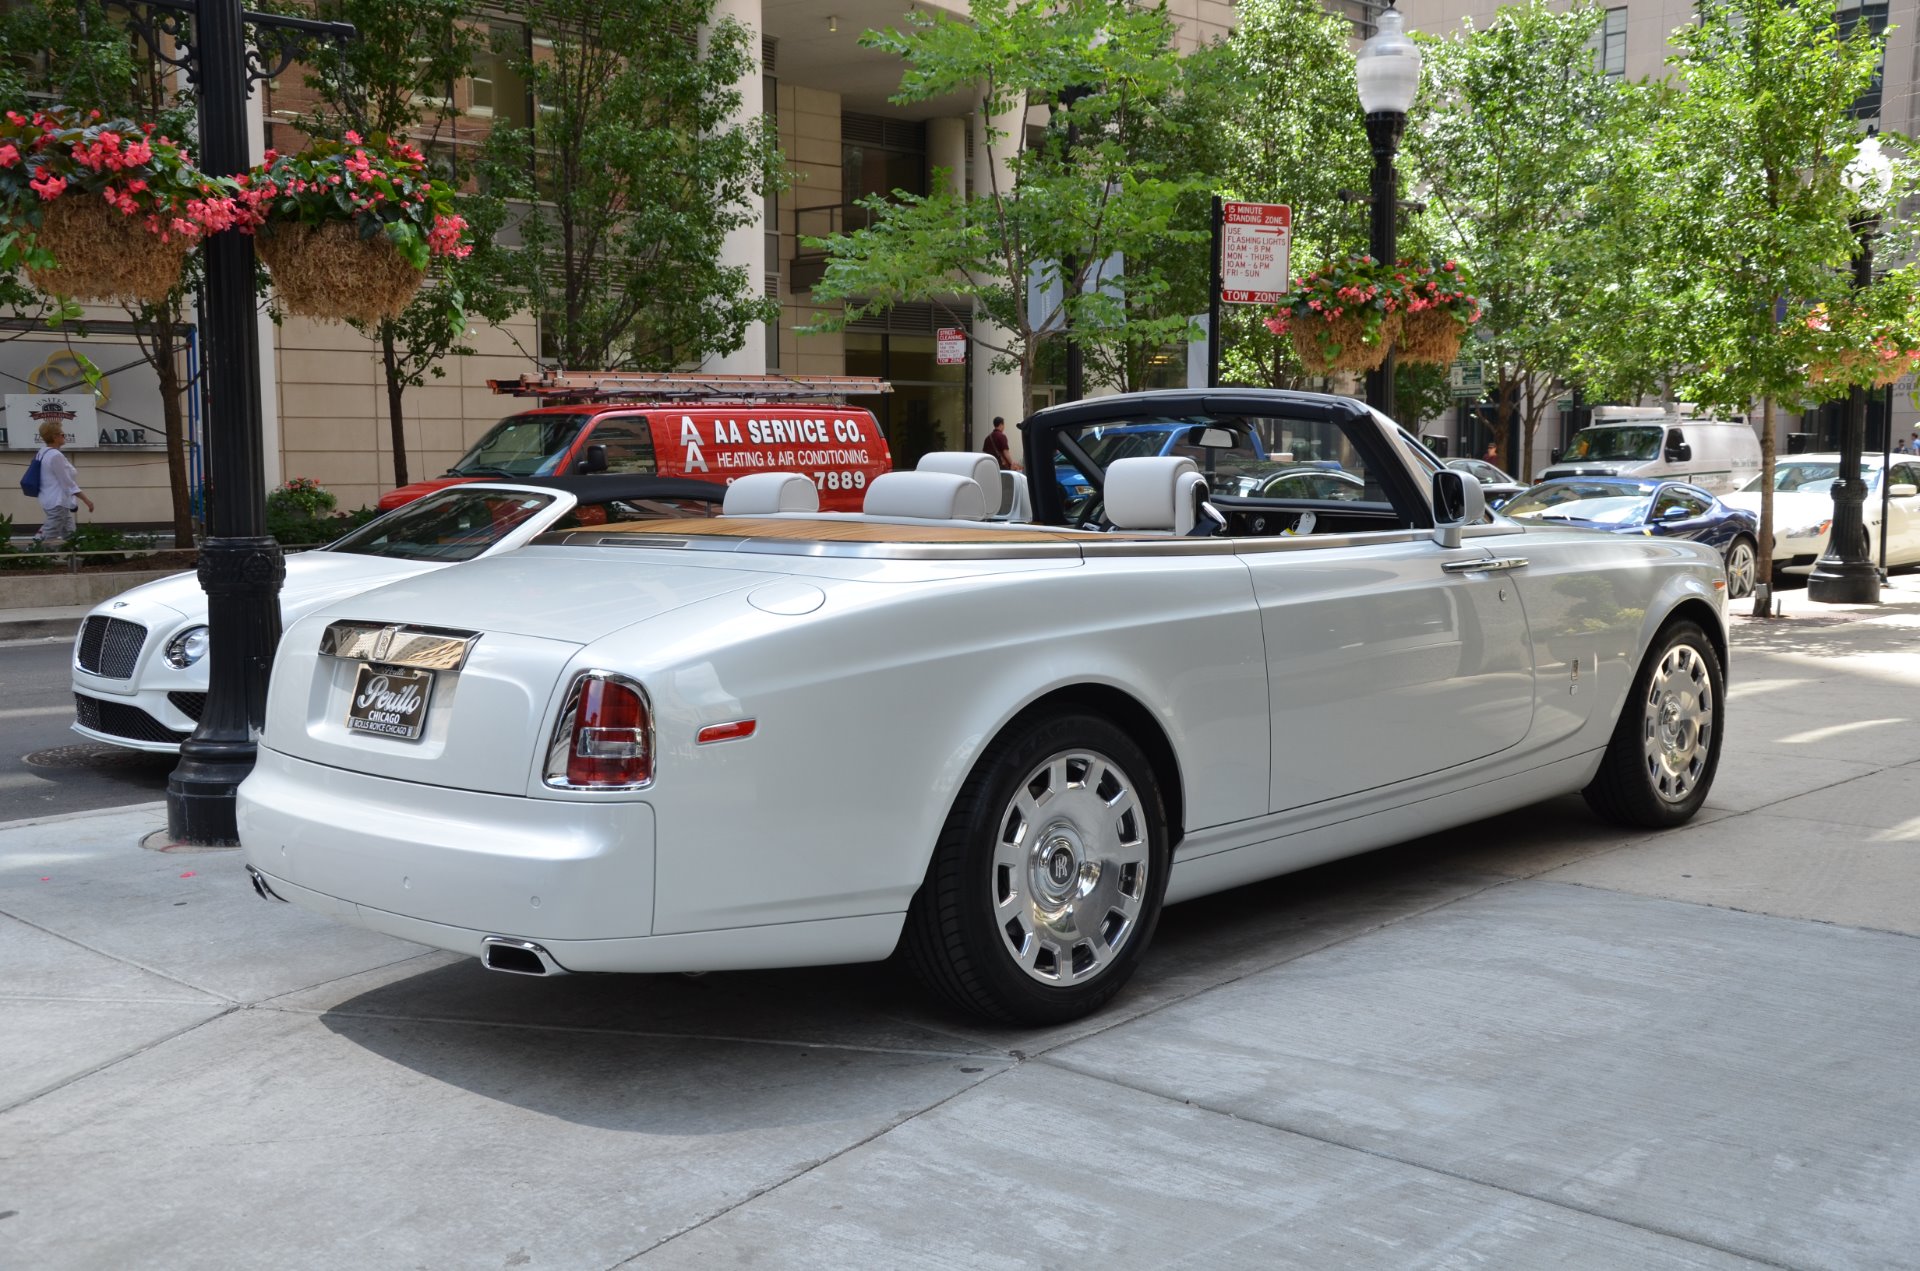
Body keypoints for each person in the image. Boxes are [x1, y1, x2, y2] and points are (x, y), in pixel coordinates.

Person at [29, 420, 93, 544]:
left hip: (50, 500)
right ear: (54, 437)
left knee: (71, 536)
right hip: (58, 502)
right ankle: (28, 558)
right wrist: (86, 500)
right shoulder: (55, 456)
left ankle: (76, 561)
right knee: (46, 537)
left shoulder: (42, 453)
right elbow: (67, 483)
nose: (64, 437)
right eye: (62, 434)